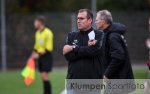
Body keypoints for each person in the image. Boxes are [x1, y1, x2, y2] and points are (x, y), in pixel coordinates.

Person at [63, 9, 104, 93]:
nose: (78, 21)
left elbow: (94, 51)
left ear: (90, 20)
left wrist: (74, 48)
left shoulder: (99, 34)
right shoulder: (71, 35)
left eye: (81, 18)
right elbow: (68, 56)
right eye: (78, 18)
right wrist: (87, 49)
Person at [95, 10, 134, 94]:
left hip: (119, 80)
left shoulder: (112, 36)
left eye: (97, 20)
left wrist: (107, 74)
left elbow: (119, 57)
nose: (95, 22)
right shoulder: (110, 33)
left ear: (103, 21)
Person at [29, 16, 53, 94]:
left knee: (44, 75)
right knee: (43, 76)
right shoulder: (37, 33)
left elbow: (48, 48)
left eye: (35, 22)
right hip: (40, 57)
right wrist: (31, 57)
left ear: (40, 22)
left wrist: (37, 55)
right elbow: (36, 47)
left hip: (46, 56)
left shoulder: (48, 32)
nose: (34, 23)